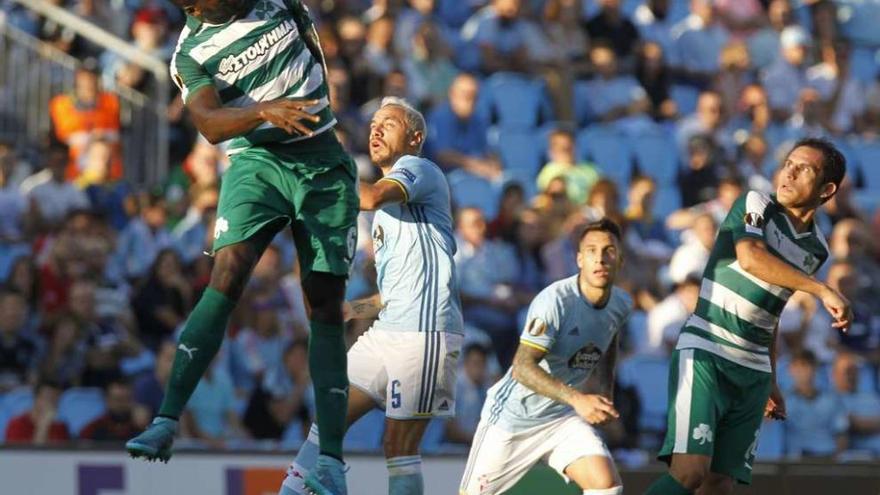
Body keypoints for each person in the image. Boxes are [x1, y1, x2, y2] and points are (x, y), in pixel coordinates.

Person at [126, 3, 359, 495]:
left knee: (325, 304)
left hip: (322, 158)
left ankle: (332, 461)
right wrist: (260, 111)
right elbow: (208, 122)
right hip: (259, 160)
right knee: (228, 271)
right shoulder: (189, 53)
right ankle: (167, 419)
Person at [643, 137, 852, 495]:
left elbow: (772, 310)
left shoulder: (816, 247)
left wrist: (770, 378)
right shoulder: (756, 203)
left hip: (753, 369)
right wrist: (821, 289)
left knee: (720, 485)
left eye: (804, 169)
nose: (789, 173)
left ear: (826, 189)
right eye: (788, 163)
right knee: (690, 472)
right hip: (708, 349)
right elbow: (751, 257)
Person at [279, 97, 463, 495]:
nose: (376, 130)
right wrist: (350, 310)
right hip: (389, 330)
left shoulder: (418, 169)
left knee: (397, 447)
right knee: (328, 418)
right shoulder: (384, 217)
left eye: (389, 123)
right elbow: (391, 294)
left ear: (414, 138)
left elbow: (371, 196)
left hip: (425, 333)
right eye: (374, 123)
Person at [460, 219, 633, 495]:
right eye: (591, 250)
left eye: (608, 250)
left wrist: (604, 392)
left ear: (621, 259)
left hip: (560, 418)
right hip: (512, 418)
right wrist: (579, 399)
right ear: (579, 259)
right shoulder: (555, 301)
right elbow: (521, 368)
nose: (600, 258)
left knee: (606, 485)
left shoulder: (621, 304)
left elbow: (609, 338)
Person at [5, 379, 70, 444]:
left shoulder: (61, 427)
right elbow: (26, 453)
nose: (52, 404)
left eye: (56, 400)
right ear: (36, 399)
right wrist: (43, 426)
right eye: (48, 398)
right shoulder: (17, 424)